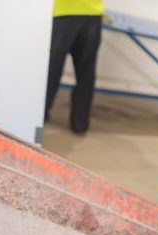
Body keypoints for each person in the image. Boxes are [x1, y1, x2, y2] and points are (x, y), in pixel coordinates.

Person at [45, 0, 105, 134]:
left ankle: (41, 114)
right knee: (86, 73)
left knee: (52, 68)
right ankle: (80, 124)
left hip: (64, 12)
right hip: (92, 13)